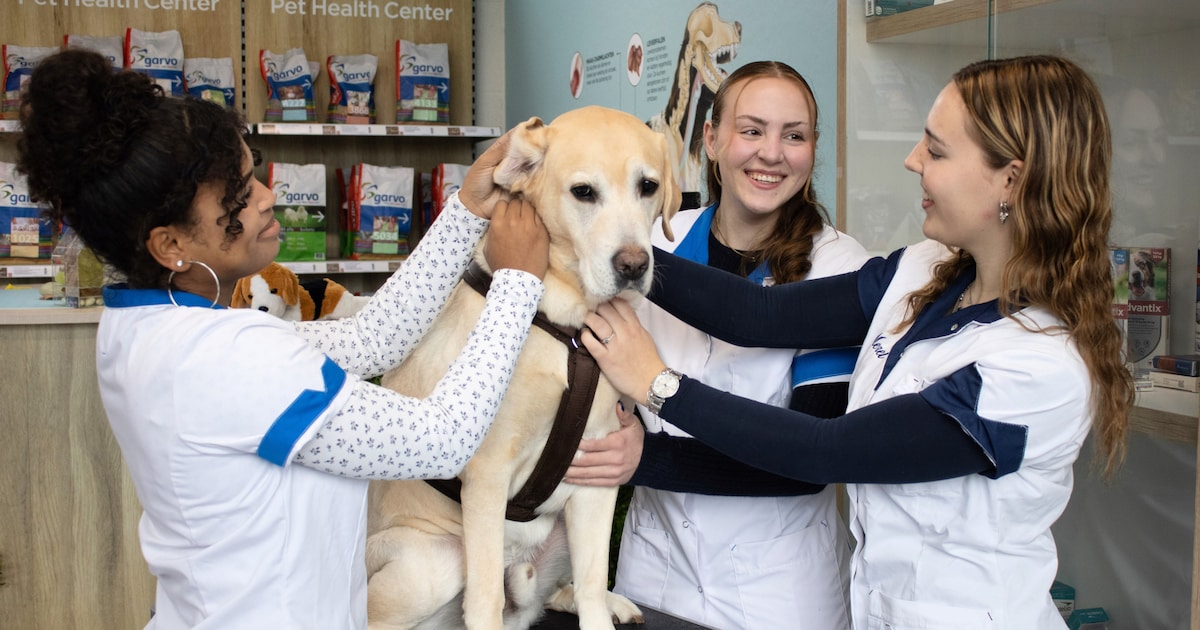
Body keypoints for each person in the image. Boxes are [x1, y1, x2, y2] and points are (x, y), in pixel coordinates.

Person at [579, 55, 1135, 629]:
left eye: (937, 152)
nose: (913, 160)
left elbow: (827, 450)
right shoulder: (926, 271)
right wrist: (597, 240)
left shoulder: (1035, 366)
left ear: (1011, 181)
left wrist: (657, 384)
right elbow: (758, 315)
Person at [17, 49, 549, 630]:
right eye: (237, 199)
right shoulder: (229, 359)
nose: (267, 197)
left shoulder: (146, 324)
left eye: (253, 174)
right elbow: (442, 441)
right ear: (171, 246)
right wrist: (517, 283)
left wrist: (468, 208)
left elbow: (374, 340)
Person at [564, 61, 867, 629]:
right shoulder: (651, 241)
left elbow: (806, 464)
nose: (771, 153)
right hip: (654, 570)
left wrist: (644, 457)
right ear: (711, 138)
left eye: (793, 135)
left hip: (778, 589)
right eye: (751, 130)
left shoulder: (839, 269)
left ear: (813, 149)